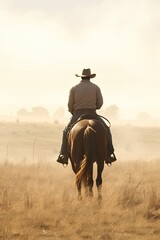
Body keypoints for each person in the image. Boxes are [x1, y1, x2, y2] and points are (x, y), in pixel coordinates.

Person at [57, 68, 117, 165]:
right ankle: (109, 154)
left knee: (66, 131)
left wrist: (74, 112)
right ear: (90, 77)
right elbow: (100, 104)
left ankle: (63, 155)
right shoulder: (96, 88)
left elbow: (69, 105)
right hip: (93, 114)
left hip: (77, 114)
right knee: (106, 129)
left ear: (81, 77)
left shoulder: (74, 88)